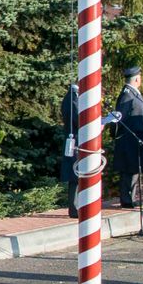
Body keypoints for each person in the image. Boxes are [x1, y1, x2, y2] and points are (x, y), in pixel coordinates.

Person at [112, 66, 143, 209]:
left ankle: (130, 198)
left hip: (137, 140)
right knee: (129, 170)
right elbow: (119, 119)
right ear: (137, 79)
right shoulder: (127, 95)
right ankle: (127, 200)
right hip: (129, 140)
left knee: (134, 171)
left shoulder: (133, 93)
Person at [61, 82, 80, 218]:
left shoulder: (73, 96)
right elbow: (78, 120)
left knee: (77, 175)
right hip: (75, 141)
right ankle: (74, 208)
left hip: (75, 139)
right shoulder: (73, 98)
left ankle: (76, 206)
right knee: (75, 176)